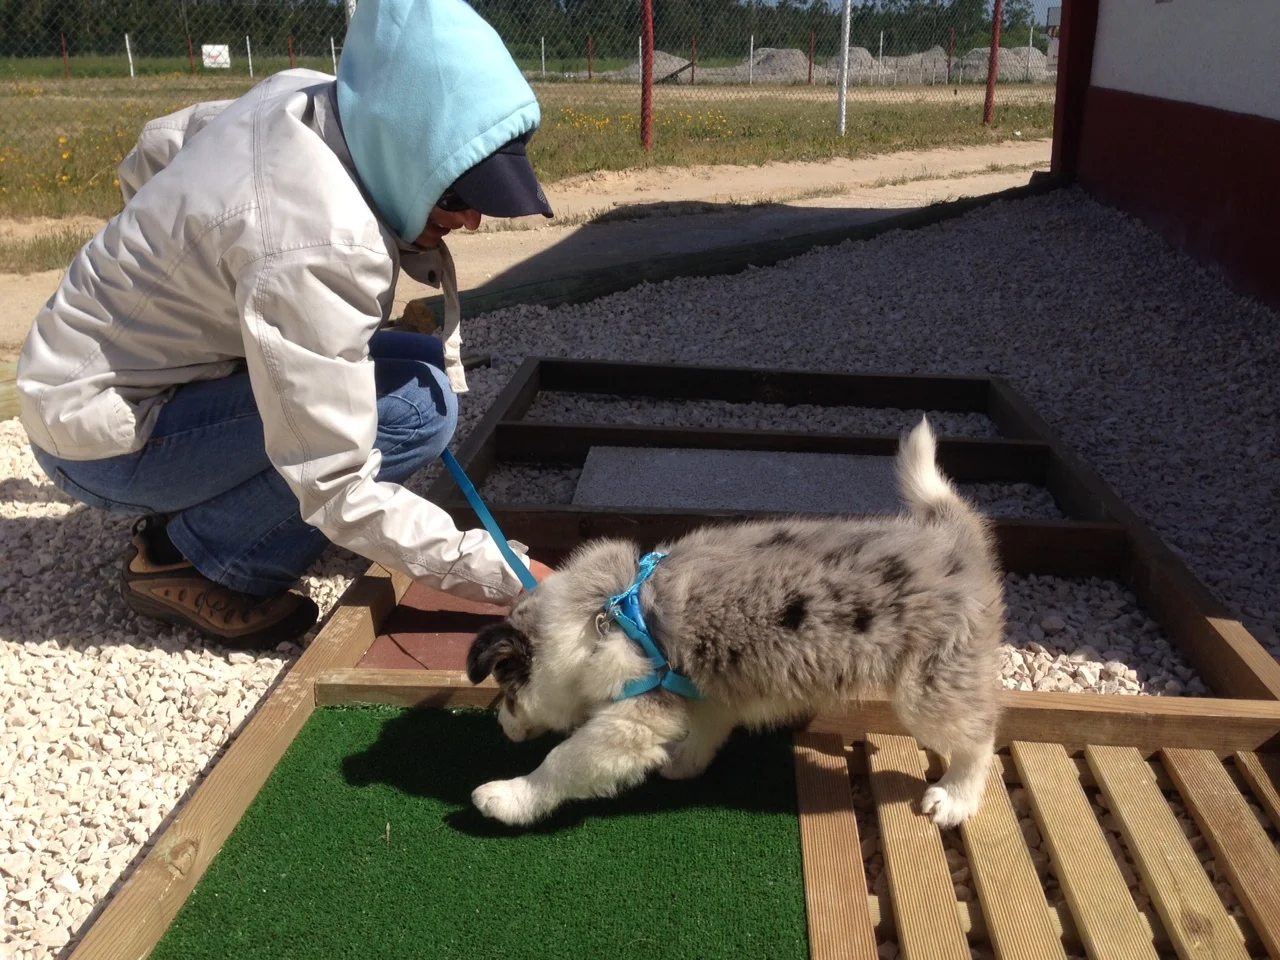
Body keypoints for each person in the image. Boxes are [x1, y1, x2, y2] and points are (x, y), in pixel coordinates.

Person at [15, 0, 555, 650]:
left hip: (70, 377)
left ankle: (213, 506)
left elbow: (156, 149)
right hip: (101, 439)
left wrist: (185, 284)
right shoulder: (324, 243)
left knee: (413, 362)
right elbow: (335, 481)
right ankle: (198, 556)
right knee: (415, 412)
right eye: (458, 196)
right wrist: (516, 576)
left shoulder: (304, 96)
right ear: (402, 153)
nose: (471, 221)